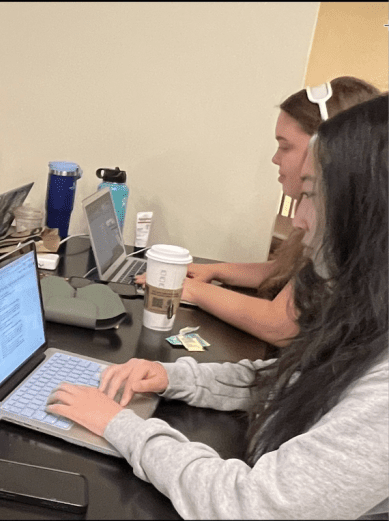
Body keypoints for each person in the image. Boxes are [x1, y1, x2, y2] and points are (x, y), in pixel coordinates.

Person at [50, 95, 389, 519]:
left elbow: (253, 506)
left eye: (312, 196)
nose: (299, 221)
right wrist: (173, 378)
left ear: (369, 210)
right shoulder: (368, 314)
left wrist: (121, 427)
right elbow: (296, 378)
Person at [138, 76, 381, 347]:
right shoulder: (324, 218)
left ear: (326, 148)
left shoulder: (346, 229)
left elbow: (280, 325)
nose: (275, 158)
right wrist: (214, 271)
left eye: (285, 146)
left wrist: (188, 290)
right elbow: (285, 269)